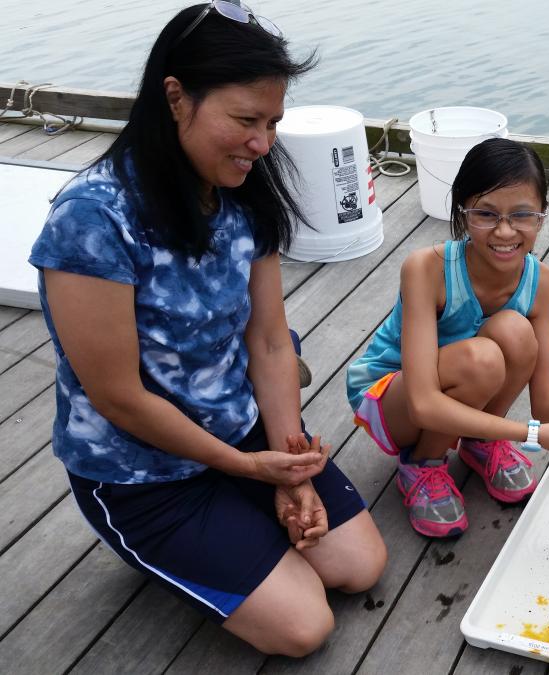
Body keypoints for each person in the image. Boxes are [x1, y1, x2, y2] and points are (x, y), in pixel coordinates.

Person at [28, 2, 386, 657]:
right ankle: (157, 542)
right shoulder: (92, 221)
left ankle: (240, 530)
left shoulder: (244, 190)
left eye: (273, 122)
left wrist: (288, 468)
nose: (263, 143)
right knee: (305, 626)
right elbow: (118, 397)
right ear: (175, 97)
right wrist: (245, 467)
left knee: (359, 565)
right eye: (246, 120)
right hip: (142, 472)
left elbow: (271, 342)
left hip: (239, 430)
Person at [345, 137, 549, 538]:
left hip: (458, 385)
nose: (504, 231)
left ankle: (480, 439)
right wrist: (532, 434)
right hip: (389, 397)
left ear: (541, 216)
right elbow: (423, 403)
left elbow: (547, 405)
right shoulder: (426, 269)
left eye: (521, 215)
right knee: (481, 360)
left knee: (515, 332)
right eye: (486, 214)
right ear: (463, 213)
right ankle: (422, 465)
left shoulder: (543, 284)